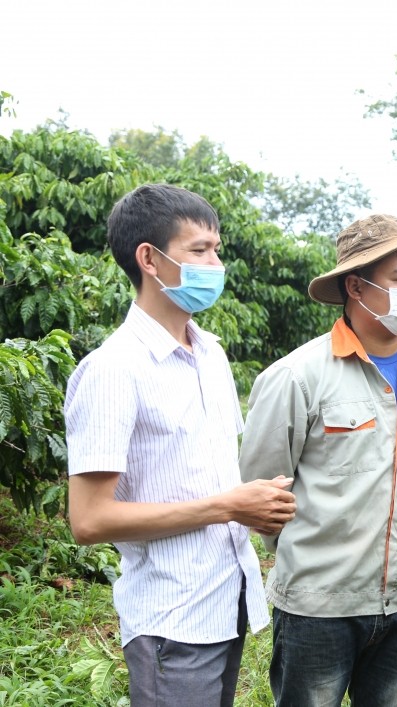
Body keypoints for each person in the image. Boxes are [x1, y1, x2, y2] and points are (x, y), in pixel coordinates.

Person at [64, 183, 298, 707]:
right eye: (199, 250)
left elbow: (205, 473)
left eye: (217, 249)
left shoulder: (209, 354)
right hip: (171, 618)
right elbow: (90, 520)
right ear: (149, 258)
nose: (215, 262)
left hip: (226, 601)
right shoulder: (113, 370)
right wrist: (228, 507)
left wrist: (251, 504)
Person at [238, 214, 397, 707]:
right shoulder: (298, 376)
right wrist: (312, 556)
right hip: (319, 605)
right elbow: (262, 487)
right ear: (356, 287)